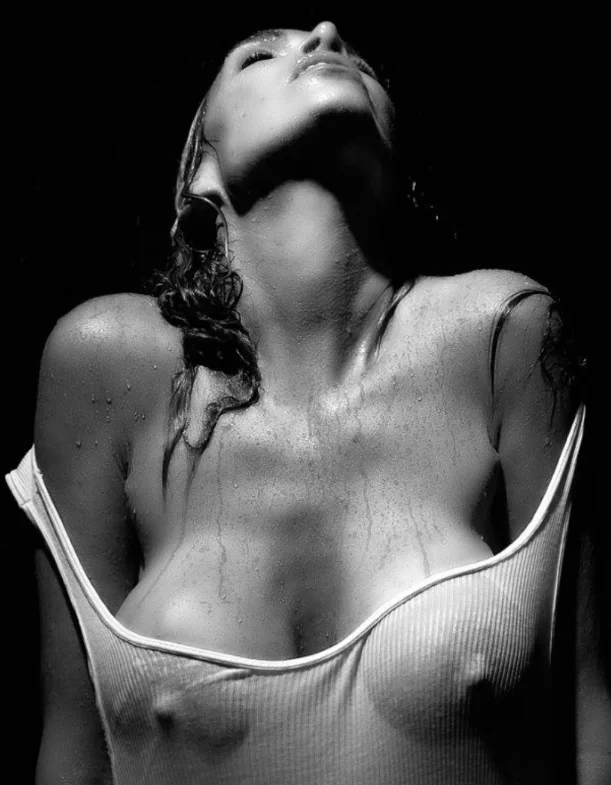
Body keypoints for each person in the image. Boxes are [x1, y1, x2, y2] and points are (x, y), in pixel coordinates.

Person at [6, 20, 609, 785]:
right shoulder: (103, 366)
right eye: (259, 56)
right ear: (199, 175)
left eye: (355, 59)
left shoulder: (503, 335)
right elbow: (74, 753)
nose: (325, 35)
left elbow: (587, 725)